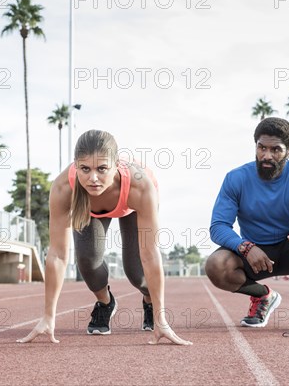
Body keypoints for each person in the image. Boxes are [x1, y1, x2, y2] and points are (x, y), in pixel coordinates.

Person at [17, 129, 191, 345]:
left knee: (136, 271)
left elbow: (150, 255)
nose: (93, 178)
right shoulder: (64, 187)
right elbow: (57, 255)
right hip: (89, 207)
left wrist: (161, 319)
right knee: (87, 261)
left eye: (102, 169)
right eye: (85, 169)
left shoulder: (141, 186)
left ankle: (149, 302)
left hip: (131, 205)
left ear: (116, 165)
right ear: (76, 166)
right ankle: (105, 303)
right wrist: (48, 317)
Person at [205, 117, 289, 332]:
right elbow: (218, 226)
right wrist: (245, 247)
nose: (267, 156)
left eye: (276, 150)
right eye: (261, 148)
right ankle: (263, 296)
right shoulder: (236, 178)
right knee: (215, 265)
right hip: (254, 256)